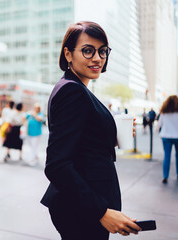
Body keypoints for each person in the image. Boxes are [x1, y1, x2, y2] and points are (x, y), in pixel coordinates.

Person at [40, 21, 141, 239]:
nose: (97, 58)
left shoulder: (75, 87)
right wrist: (101, 212)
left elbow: (80, 144)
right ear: (68, 54)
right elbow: (57, 165)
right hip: (82, 209)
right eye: (88, 50)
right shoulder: (72, 91)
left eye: (102, 51)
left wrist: (110, 138)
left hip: (82, 205)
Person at [157, 95, 178, 184]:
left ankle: (165, 176)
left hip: (166, 137)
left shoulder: (163, 113)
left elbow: (158, 126)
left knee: (167, 156)